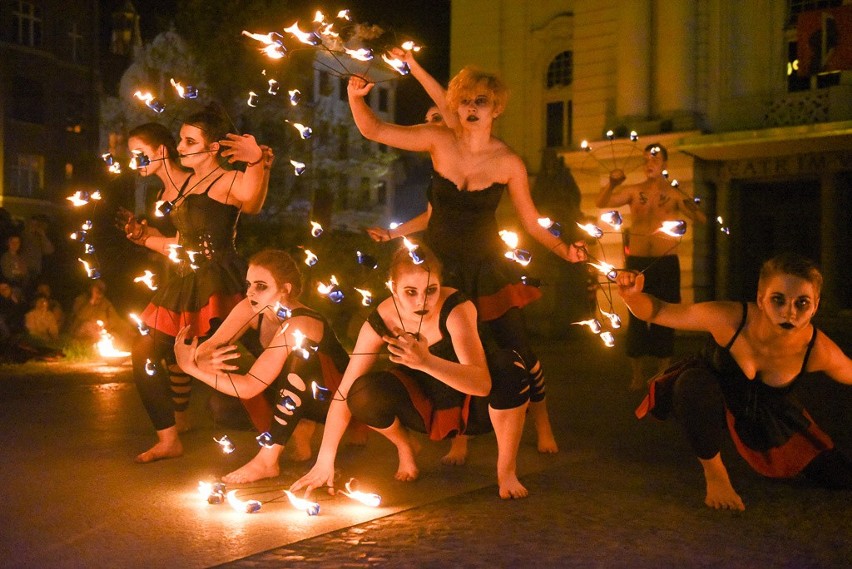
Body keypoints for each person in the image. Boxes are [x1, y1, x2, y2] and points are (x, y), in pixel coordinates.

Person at [357, 59, 585, 457]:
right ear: (457, 106)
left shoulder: (508, 162)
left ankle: (542, 420)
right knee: (450, 352)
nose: (472, 107)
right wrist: (355, 96)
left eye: (481, 100)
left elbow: (531, 223)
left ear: (496, 108)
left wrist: (565, 249)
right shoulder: (440, 140)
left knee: (519, 350)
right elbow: (374, 129)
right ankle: (459, 435)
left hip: (485, 270)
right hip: (439, 268)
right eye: (464, 101)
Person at [292, 242, 532, 499]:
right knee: (360, 392)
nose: (422, 301)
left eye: (431, 290)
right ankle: (406, 448)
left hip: (476, 408)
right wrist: (324, 460)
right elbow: (344, 390)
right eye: (410, 292)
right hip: (424, 408)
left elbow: (482, 384)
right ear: (393, 288)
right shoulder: (381, 319)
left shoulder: (456, 308)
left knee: (510, 367)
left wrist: (426, 361)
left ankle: (506, 471)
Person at [617, 252, 852, 511]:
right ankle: (716, 476)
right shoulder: (728, 318)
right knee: (692, 382)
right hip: (711, 393)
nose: (789, 312)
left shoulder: (818, 350)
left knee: (840, 475)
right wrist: (632, 296)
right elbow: (660, 311)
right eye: (778, 300)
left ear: (816, 305)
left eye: (802, 303)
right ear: (761, 299)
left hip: (767, 415)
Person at [123, 107, 275, 463]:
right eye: (180, 139)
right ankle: (168, 438)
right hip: (184, 283)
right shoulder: (187, 183)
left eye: (190, 141)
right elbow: (182, 243)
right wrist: (146, 239)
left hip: (224, 281)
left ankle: (299, 425)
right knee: (144, 351)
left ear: (213, 149)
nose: (181, 146)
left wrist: (256, 163)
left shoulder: (227, 180)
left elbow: (252, 201)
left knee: (269, 350)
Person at [173, 249, 349, 483]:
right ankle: (300, 426)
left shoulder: (302, 323)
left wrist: (191, 368)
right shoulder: (251, 308)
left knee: (299, 357)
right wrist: (203, 357)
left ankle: (268, 460)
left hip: (334, 400)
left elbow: (250, 386)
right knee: (220, 406)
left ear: (285, 290)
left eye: (261, 286)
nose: (250, 292)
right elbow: (213, 344)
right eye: (249, 284)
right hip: (290, 396)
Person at [597, 143, 707, 390]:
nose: (650, 163)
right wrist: (613, 183)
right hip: (636, 262)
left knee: (665, 313)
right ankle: (636, 373)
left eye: (655, 159)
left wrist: (689, 204)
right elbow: (601, 203)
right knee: (635, 315)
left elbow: (700, 218)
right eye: (646, 159)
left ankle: (661, 371)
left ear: (664, 164)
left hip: (665, 262)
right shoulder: (634, 191)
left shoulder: (676, 194)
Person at [20, 215, 54, 283]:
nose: (33, 226)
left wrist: (43, 236)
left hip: (36, 269)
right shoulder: (22, 235)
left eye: (35, 224)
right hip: (24, 268)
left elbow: (49, 250)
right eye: (31, 224)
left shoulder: (39, 237)